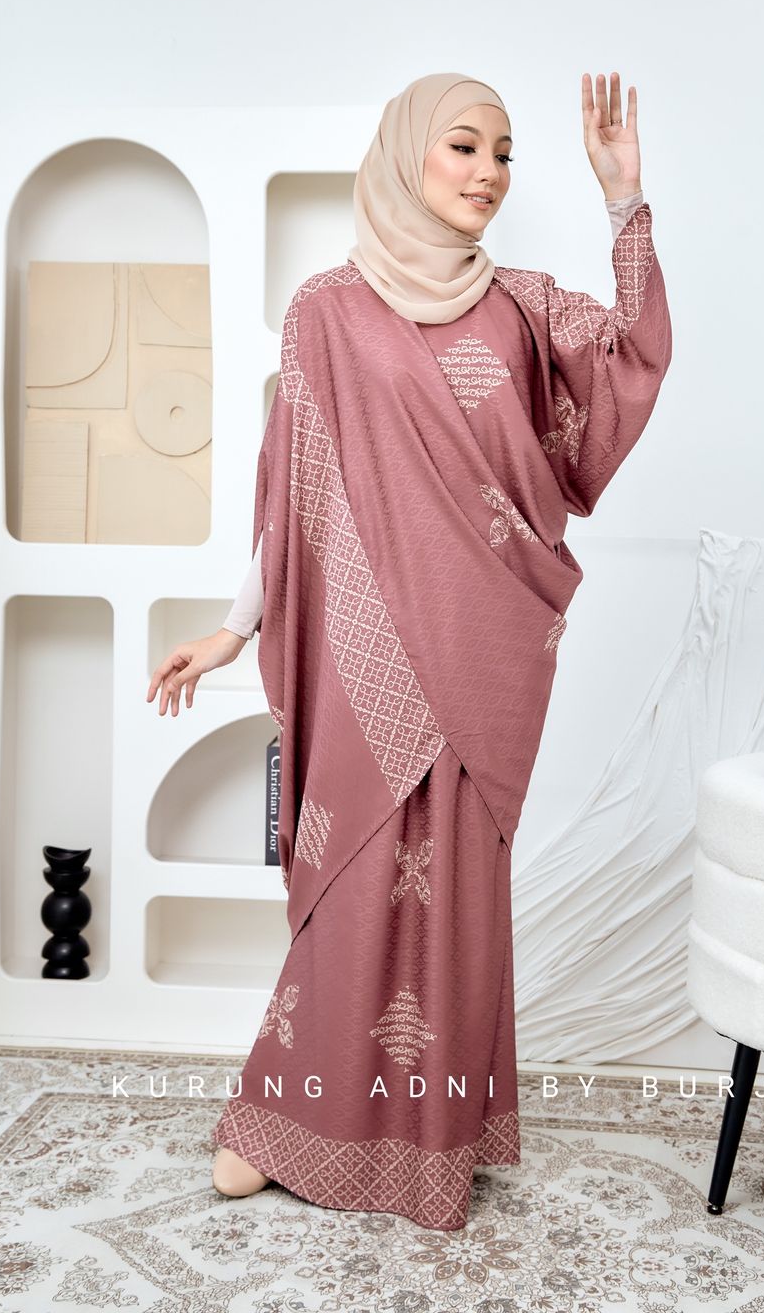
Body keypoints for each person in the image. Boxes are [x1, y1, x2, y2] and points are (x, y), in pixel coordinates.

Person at [145, 70, 672, 1231]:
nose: (487, 173)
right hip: (365, 649)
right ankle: (284, 1121)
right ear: (405, 155)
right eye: (462, 146)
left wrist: (622, 201)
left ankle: (432, 1135)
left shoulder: (523, 308)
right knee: (352, 878)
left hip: (483, 644)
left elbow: (631, 360)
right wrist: (234, 627)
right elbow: (296, 493)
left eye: (504, 153)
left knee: (456, 892)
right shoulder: (325, 311)